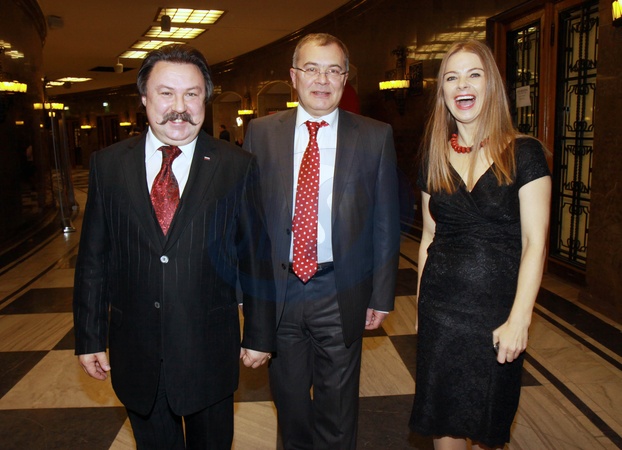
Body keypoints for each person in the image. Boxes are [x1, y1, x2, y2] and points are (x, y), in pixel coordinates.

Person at [73, 44, 276, 450]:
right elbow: (94, 259)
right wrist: (89, 336)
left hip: (209, 352)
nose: (179, 107)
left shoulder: (236, 165)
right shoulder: (108, 165)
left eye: (192, 94)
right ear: (144, 99)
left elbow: (255, 257)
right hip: (137, 352)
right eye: (166, 93)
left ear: (206, 99)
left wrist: (259, 333)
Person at [243, 33, 401, 449]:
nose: (322, 79)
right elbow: (248, 220)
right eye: (311, 69)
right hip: (280, 292)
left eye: (333, 70)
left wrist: (382, 294)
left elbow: (385, 222)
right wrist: (247, 293)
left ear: (345, 78)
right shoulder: (262, 133)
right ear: (294, 76)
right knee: (290, 404)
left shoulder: (374, 136)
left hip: (340, 289)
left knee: (338, 408)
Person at [409, 40, 551, 449]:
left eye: (474, 74)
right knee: (444, 426)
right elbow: (429, 237)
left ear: (492, 86)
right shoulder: (434, 156)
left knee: (490, 427)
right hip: (441, 313)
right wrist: (420, 307)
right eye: (451, 78)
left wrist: (520, 319)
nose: (462, 85)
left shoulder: (524, 153)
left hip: (497, 314)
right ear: (443, 92)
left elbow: (535, 242)